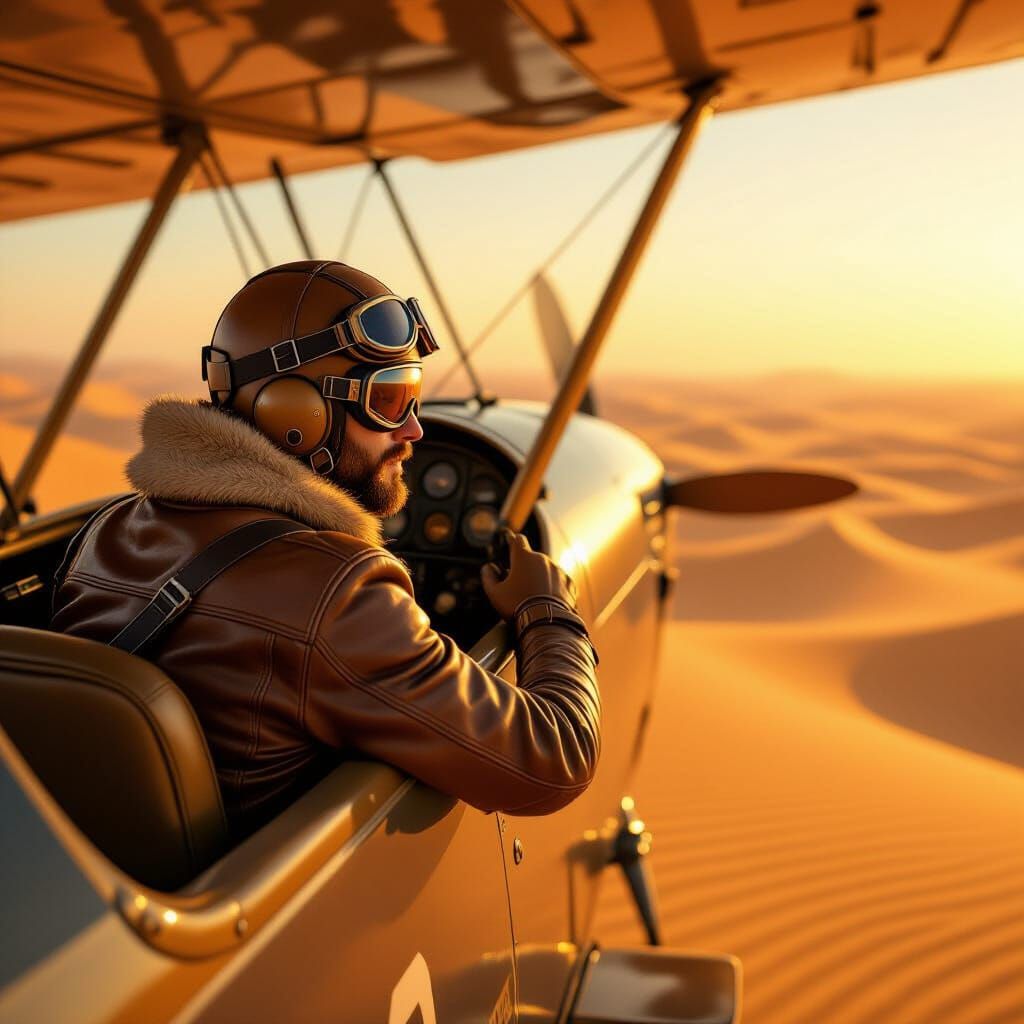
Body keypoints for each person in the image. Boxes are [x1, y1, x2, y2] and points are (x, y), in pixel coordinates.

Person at [51, 260, 600, 838]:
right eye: (388, 402)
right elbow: (552, 762)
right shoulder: (336, 590)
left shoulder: (103, 531)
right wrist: (549, 611)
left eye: (414, 396)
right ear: (296, 416)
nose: (414, 429)